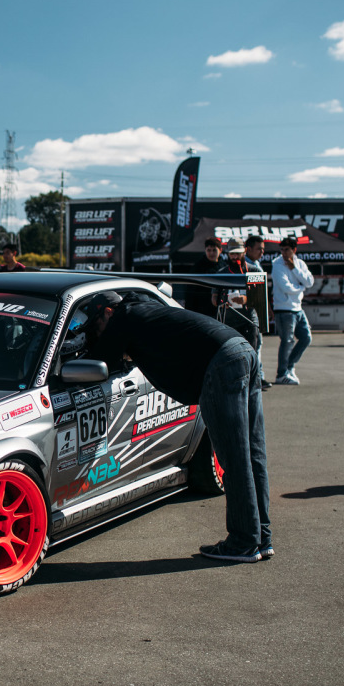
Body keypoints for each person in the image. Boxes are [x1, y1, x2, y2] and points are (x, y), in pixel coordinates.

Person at [81, 290, 270, 563]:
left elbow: (101, 360)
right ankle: (262, 537)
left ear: (108, 312)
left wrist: (94, 344)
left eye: (97, 326)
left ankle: (243, 543)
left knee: (234, 457)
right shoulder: (146, 309)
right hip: (242, 349)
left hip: (222, 362)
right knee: (253, 454)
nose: (98, 333)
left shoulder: (123, 316)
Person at [270, 236, 314, 384]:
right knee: (287, 341)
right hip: (283, 309)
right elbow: (285, 286)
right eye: (281, 249)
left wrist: (294, 268)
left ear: (294, 250)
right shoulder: (277, 264)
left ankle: (289, 366)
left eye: (286, 249)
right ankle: (281, 374)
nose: (283, 253)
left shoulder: (299, 263)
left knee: (306, 338)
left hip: (298, 309)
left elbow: (309, 281)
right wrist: (300, 288)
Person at [218, 239, 259, 351]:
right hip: (229, 323)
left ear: (244, 251)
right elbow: (214, 298)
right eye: (232, 254)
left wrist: (245, 299)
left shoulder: (254, 271)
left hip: (249, 322)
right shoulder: (222, 273)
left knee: (251, 355)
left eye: (237, 253)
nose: (235, 257)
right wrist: (223, 303)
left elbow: (260, 298)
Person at [242, 235, 271, 390]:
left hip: (258, 311)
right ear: (249, 249)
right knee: (255, 345)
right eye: (259, 249)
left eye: (263, 249)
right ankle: (256, 377)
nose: (262, 252)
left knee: (258, 344)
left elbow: (261, 293)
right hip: (249, 314)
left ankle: (258, 376)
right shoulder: (247, 267)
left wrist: (267, 309)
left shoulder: (256, 265)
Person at [185, 237, 223, 316]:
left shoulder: (225, 267)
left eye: (214, 250)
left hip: (220, 309)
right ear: (205, 250)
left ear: (220, 250)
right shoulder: (197, 268)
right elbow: (190, 292)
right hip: (201, 310)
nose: (211, 253)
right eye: (209, 250)